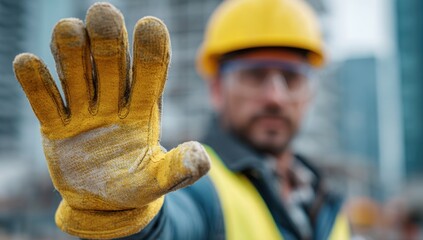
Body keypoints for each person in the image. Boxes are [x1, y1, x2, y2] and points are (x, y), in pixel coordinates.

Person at [13, 0, 350, 239]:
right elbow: (170, 223)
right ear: (217, 88)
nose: (275, 96)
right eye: (255, 75)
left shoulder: (326, 197)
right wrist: (129, 217)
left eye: (291, 77)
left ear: (310, 93)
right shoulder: (195, 182)